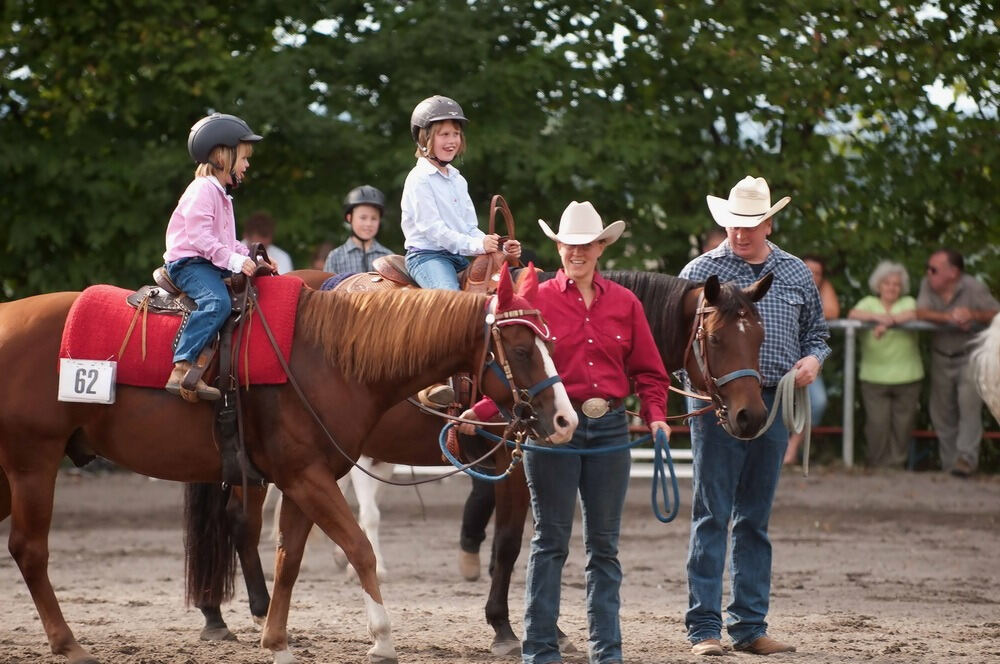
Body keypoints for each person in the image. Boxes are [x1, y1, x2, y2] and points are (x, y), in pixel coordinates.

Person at [461, 200, 670, 664]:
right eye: (568, 244)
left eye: (586, 244)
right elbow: (513, 364)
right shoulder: (534, 298)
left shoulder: (626, 303)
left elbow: (650, 372)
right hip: (552, 429)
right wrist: (482, 407)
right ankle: (540, 652)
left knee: (604, 547)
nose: (577, 252)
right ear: (559, 246)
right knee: (551, 541)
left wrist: (655, 414)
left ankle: (607, 652)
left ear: (600, 247)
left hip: (611, 428)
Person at [679, 175, 830, 657]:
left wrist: (813, 361)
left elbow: (818, 335)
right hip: (715, 404)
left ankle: (748, 626)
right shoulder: (700, 273)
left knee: (754, 518)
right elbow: (675, 341)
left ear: (769, 222)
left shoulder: (795, 273)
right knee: (712, 513)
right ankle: (704, 628)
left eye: (750, 225)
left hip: (773, 400)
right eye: (733, 225)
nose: (740, 234)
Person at [401, 94, 521, 406]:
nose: (451, 140)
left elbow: (469, 228)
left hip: (458, 251)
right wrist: (475, 245)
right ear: (426, 138)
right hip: (427, 255)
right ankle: (432, 378)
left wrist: (494, 246)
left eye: (455, 133)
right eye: (443, 134)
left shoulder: (457, 179)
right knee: (450, 302)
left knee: (501, 294)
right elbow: (434, 231)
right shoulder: (418, 180)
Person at [162, 113, 273, 402]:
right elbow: (200, 238)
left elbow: (226, 242)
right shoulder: (202, 190)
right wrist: (235, 262)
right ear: (223, 156)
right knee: (217, 301)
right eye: (244, 158)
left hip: (207, 260)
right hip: (188, 263)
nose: (248, 164)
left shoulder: (221, 194)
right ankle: (182, 364)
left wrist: (251, 258)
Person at [915, 248, 999, 477]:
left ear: (953, 272)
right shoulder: (926, 285)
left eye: (933, 269)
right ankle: (949, 463)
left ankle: (966, 461)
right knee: (942, 412)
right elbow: (920, 312)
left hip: (969, 356)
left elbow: (995, 313)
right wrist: (949, 318)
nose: (928, 273)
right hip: (941, 355)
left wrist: (973, 314)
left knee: (969, 407)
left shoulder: (974, 287)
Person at [848, 261, 923, 468]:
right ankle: (876, 467)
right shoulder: (868, 303)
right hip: (874, 377)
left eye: (896, 284)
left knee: (903, 426)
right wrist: (878, 318)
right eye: (887, 283)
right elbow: (853, 314)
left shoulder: (908, 302)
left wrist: (888, 322)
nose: (891, 287)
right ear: (878, 285)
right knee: (877, 426)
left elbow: (915, 314)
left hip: (908, 376)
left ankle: (896, 468)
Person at [783, 254, 840, 465]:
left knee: (817, 402)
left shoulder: (818, 290)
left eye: (817, 274)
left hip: (806, 362)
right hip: (779, 360)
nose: (812, 276)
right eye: (808, 271)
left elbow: (833, 311)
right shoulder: (783, 281)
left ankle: (792, 448)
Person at [323, 185, 394, 274]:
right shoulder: (335, 257)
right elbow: (327, 287)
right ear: (349, 218)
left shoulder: (388, 258)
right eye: (363, 218)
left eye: (374, 218)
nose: (368, 223)